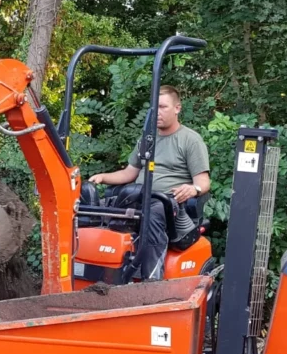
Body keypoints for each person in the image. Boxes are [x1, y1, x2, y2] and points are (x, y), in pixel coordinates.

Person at [88, 85, 211, 280]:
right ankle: (96, 273)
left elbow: (203, 181)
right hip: (139, 196)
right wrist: (103, 177)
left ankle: (151, 280)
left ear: (177, 108)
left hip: (169, 203)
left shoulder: (190, 140)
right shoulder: (147, 139)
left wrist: (193, 189)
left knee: (153, 212)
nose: (158, 112)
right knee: (94, 209)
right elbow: (129, 172)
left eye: (163, 107)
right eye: (154, 108)